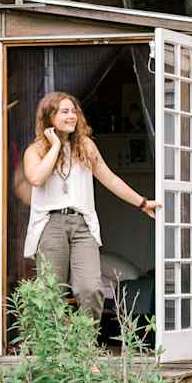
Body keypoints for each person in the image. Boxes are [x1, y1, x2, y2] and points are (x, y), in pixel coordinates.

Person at [22, 91, 158, 319]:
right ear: (49, 117)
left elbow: (110, 178)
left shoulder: (85, 147)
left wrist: (142, 202)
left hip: (82, 224)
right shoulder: (35, 151)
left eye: (74, 111)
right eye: (64, 112)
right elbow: (36, 178)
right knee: (51, 292)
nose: (72, 116)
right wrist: (55, 145)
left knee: (90, 289)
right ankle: (53, 349)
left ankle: (85, 346)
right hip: (51, 224)